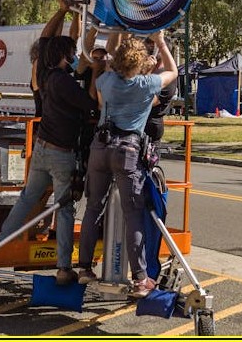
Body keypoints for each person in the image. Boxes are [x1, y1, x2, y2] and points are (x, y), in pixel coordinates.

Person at [76, 30, 178, 298]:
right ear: (139, 63)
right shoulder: (146, 85)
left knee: (93, 207)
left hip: (100, 146)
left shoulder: (106, 81)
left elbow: (100, 102)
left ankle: (84, 267)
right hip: (128, 150)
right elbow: (173, 72)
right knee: (133, 213)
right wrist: (160, 41)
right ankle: (141, 279)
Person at [0, 34, 97, 286]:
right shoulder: (64, 82)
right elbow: (90, 104)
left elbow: (44, 42)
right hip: (60, 153)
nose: (75, 57)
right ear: (64, 56)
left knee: (28, 197)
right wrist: (96, 71)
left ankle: (0, 245)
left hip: (42, 147)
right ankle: (64, 267)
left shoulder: (46, 77)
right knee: (64, 209)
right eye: (73, 53)